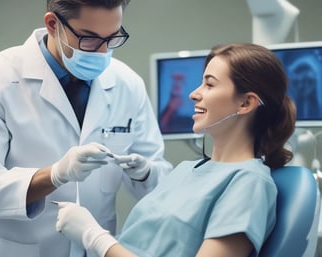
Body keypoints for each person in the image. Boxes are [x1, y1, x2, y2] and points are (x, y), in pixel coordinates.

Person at [0, 1, 172, 257]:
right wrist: (54, 175)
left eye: (112, 38)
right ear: (53, 24)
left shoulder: (128, 84)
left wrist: (145, 173)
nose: (102, 52)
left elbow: (159, 184)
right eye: (89, 39)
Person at [55, 43, 297, 257]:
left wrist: (94, 237)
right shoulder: (188, 169)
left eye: (209, 84)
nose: (194, 94)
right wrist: (145, 174)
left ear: (246, 103)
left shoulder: (249, 183)